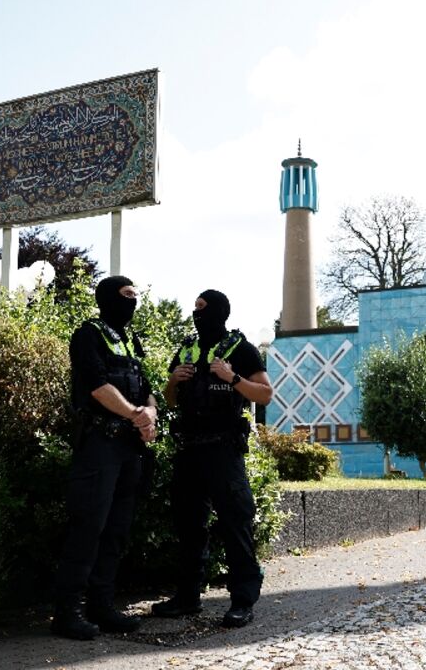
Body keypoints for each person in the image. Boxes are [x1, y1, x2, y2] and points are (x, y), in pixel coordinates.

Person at [153, 289, 273, 628]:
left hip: (223, 450)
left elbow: (265, 393)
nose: (197, 313)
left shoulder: (241, 349)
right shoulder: (187, 349)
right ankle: (187, 598)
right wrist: (173, 382)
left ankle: (242, 602)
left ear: (220, 311)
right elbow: (171, 400)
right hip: (189, 449)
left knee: (236, 523)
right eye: (195, 308)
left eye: (203, 308)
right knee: (189, 526)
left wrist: (232, 378)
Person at [50, 275, 158, 641]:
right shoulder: (88, 334)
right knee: (88, 527)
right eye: (128, 294)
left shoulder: (130, 339)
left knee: (116, 530)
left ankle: (102, 605)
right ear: (109, 297)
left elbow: (147, 388)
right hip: (99, 444)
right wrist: (134, 414)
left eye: (136, 294)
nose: (134, 301)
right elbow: (97, 385)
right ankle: (67, 612)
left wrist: (150, 415)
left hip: (129, 447)